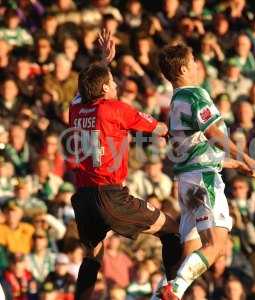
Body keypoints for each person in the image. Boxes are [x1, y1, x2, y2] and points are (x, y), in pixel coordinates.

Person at [69, 30, 181, 300]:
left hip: (84, 197)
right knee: (172, 231)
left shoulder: (75, 109)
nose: (116, 84)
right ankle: (176, 291)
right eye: (112, 81)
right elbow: (160, 128)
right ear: (106, 88)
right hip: (111, 196)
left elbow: (83, 89)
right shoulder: (116, 109)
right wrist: (176, 132)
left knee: (93, 256)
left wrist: (104, 62)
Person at [157, 44, 255, 299]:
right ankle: (174, 290)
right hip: (202, 179)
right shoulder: (195, 95)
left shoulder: (175, 103)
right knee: (216, 245)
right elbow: (213, 134)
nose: (197, 65)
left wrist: (234, 164)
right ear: (184, 68)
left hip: (187, 180)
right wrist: (248, 159)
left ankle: (163, 292)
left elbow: (196, 150)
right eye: (194, 60)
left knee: (189, 254)